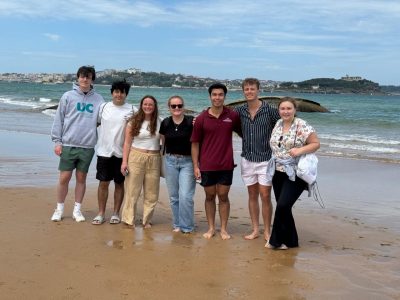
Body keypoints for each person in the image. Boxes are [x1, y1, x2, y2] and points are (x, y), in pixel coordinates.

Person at [50, 66, 104, 222]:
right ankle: (59, 209)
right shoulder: (68, 96)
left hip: (87, 146)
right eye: (82, 76)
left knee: (81, 178)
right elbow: (59, 119)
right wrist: (57, 141)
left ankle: (77, 210)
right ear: (78, 78)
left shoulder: (99, 99)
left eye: (88, 77)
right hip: (68, 144)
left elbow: (101, 120)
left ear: (92, 79)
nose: (85, 79)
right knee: (64, 178)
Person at [265, 97, 320, 249]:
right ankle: (292, 241)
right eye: (282, 108)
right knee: (285, 207)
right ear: (279, 110)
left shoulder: (302, 125)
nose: (286, 111)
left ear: (295, 110)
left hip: (296, 173)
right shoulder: (278, 123)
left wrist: (300, 150)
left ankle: (274, 241)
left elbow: (316, 144)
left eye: (289, 108)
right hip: (278, 171)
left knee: (282, 205)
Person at [191, 83, 241, 240]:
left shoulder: (232, 116)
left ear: (224, 97)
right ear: (210, 96)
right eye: (214, 94)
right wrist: (195, 166)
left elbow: (246, 134)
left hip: (226, 164)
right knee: (210, 196)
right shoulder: (201, 118)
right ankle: (211, 228)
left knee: (224, 197)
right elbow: (195, 143)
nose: (217, 97)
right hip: (207, 165)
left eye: (220, 94)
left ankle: (224, 229)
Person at [233, 78, 280, 241]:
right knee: (252, 195)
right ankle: (255, 230)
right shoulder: (239, 111)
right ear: (243, 91)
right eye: (246, 89)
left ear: (258, 90)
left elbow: (283, 127)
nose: (249, 92)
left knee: (265, 195)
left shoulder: (270, 110)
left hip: (266, 159)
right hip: (247, 158)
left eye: (252, 89)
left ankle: (267, 231)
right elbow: (225, 122)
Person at [92, 80, 138, 225]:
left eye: (122, 92)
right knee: (103, 183)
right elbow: (94, 123)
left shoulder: (133, 110)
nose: (119, 95)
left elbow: (142, 127)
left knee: (119, 183)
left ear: (126, 94)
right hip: (104, 151)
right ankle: (101, 213)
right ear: (112, 93)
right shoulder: (103, 107)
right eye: (116, 91)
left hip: (123, 154)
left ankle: (116, 213)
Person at [120, 95, 161, 228]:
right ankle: (128, 219)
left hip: (154, 159)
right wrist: (124, 162)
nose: (148, 106)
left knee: (152, 192)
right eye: (145, 104)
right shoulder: (133, 121)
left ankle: (146, 220)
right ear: (141, 105)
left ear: (154, 107)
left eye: (150, 104)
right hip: (136, 157)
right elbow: (126, 143)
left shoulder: (160, 121)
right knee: (132, 190)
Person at [159, 96, 196, 233]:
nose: (177, 108)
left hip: (188, 162)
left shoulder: (191, 121)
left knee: (186, 196)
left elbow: (198, 142)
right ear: (169, 108)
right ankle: (177, 224)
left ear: (183, 106)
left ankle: (187, 226)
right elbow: (163, 144)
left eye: (179, 105)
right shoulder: (165, 123)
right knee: (174, 197)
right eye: (173, 106)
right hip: (170, 161)